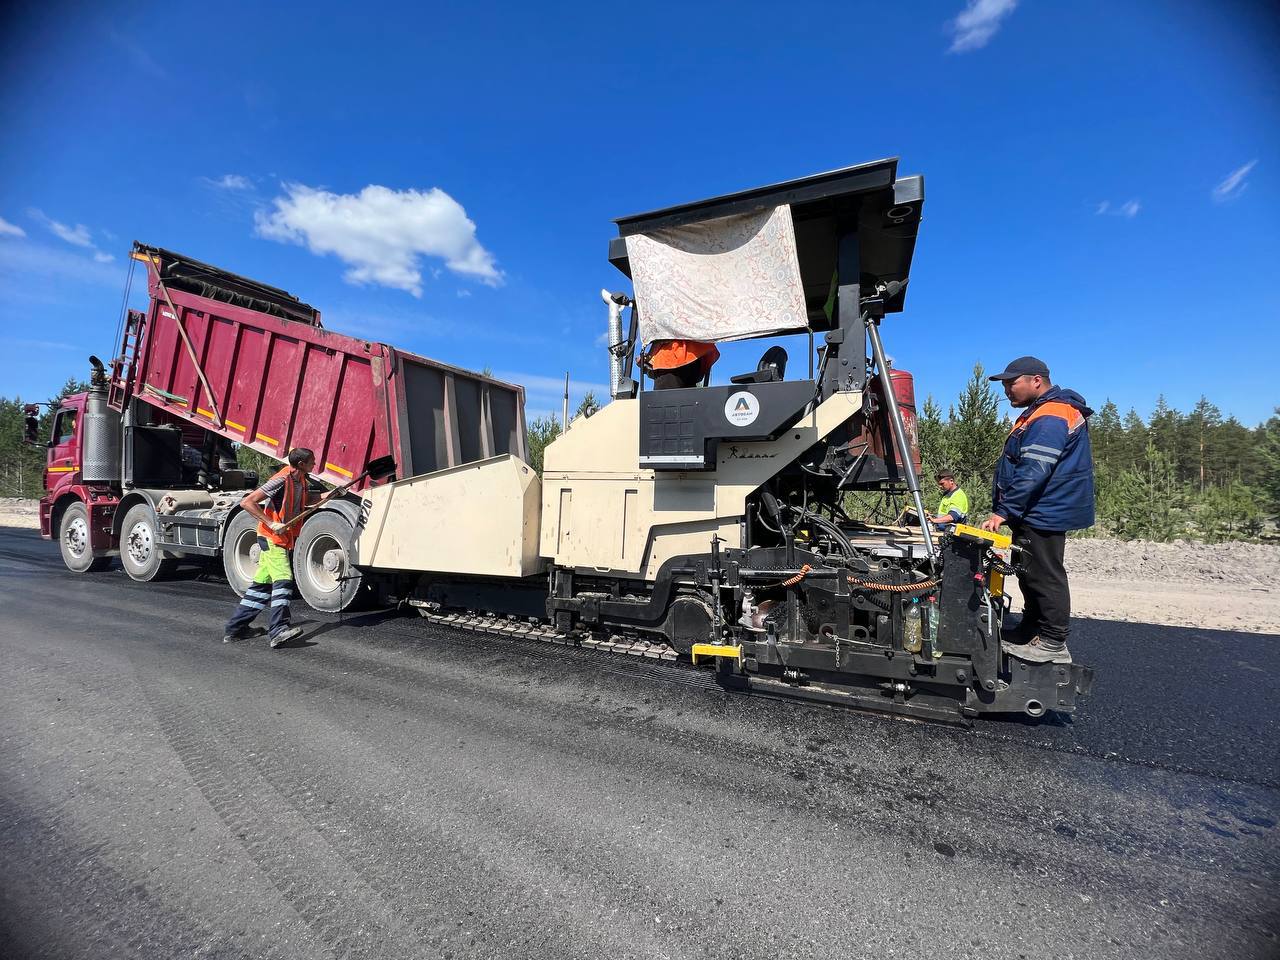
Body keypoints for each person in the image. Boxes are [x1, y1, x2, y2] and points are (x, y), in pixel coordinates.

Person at [981, 357, 1094, 664]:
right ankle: (1032, 630)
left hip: (1045, 510)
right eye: (1004, 384)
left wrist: (1003, 511)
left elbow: (1034, 469)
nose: (1006, 390)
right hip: (1035, 510)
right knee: (1029, 574)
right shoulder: (1042, 412)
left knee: (1044, 575)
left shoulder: (1051, 414)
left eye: (1011, 383)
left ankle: (1053, 642)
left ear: (1036, 380)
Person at [222, 447, 319, 648]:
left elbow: (306, 501)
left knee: (261, 587)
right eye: (312, 461)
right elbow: (247, 502)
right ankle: (278, 630)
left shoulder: (301, 479)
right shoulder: (281, 479)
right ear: (301, 464)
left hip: (282, 538)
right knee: (284, 578)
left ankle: (236, 629)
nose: (315, 464)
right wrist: (271, 522)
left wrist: (331, 494)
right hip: (271, 537)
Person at [644, 339, 720, 389]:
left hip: (672, 358)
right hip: (695, 356)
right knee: (688, 404)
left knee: (665, 404)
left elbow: (661, 336)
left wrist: (648, 357)